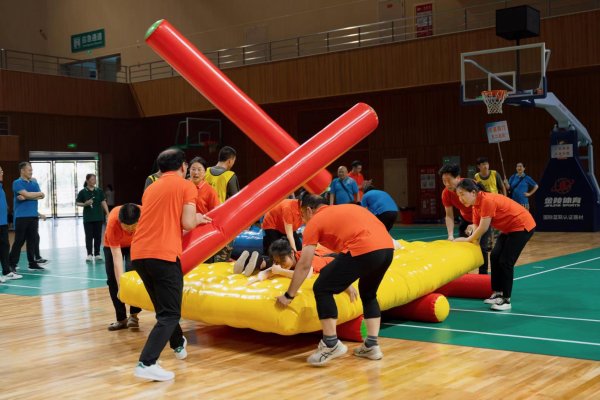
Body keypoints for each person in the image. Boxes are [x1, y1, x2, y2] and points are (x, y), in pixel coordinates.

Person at [276, 194, 394, 366]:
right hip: (387, 248)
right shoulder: (344, 209)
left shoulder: (314, 222)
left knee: (322, 287)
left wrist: (289, 295)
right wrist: (345, 282)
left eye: (302, 215)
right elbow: (343, 262)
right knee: (368, 294)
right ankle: (371, 345)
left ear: (309, 210)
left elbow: (304, 264)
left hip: (364, 248)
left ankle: (330, 344)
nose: (302, 220)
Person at [130, 148, 211, 382]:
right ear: (183, 166)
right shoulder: (187, 186)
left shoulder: (151, 187)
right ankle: (147, 363)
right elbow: (188, 222)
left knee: (164, 309)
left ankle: (177, 343)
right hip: (163, 255)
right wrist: (198, 219)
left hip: (139, 254)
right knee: (171, 313)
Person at [454, 179, 535, 311]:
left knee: (505, 262)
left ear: (473, 192)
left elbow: (484, 228)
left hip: (522, 226)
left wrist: (467, 240)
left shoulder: (487, 201)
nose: (460, 198)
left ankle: (506, 300)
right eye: (458, 195)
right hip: (508, 229)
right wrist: (472, 241)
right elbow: (477, 227)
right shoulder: (475, 206)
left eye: (462, 194)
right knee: (495, 256)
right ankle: (497, 293)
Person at [439, 164, 491, 274]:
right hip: (466, 219)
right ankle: (464, 276)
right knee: (462, 246)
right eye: (444, 181)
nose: (447, 184)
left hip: (483, 218)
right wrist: (450, 235)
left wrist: (474, 225)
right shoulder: (446, 193)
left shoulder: (470, 185)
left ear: (458, 178)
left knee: (481, 247)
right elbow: (449, 215)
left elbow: (484, 206)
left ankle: (483, 276)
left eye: (449, 180)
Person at [104, 203, 143, 331]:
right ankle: (121, 319)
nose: (130, 230)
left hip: (135, 244)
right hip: (112, 246)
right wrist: (121, 286)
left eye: (133, 226)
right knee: (113, 281)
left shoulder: (145, 214)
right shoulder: (112, 223)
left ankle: (134, 315)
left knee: (134, 276)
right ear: (120, 222)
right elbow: (117, 257)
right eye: (126, 227)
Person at [9, 162, 45, 271]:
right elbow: (37, 194)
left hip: (33, 216)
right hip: (21, 217)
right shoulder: (17, 183)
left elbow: (42, 195)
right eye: (29, 170)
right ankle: (12, 264)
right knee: (19, 241)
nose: (31, 172)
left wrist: (27, 196)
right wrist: (34, 195)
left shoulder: (34, 183)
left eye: (31, 170)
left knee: (32, 241)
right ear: (22, 171)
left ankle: (32, 263)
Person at [205, 146, 239, 262]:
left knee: (205, 255)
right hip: (222, 221)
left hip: (203, 218)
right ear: (230, 160)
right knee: (222, 257)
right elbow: (236, 201)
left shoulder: (205, 172)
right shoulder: (230, 176)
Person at [76, 174, 109, 262]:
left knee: (98, 236)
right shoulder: (83, 192)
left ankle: (97, 253)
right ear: (87, 181)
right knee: (89, 236)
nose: (94, 181)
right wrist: (85, 204)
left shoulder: (99, 191)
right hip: (88, 218)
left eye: (95, 179)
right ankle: (89, 254)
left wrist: (108, 213)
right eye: (92, 179)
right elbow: (77, 203)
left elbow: (103, 202)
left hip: (98, 217)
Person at [1, 165, 22, 281]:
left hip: (3, 223)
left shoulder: (1, 188)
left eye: (2, 170)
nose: (2, 172)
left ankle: (6, 272)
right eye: (0, 171)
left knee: (5, 247)